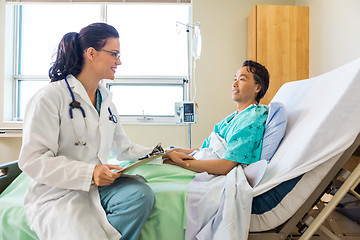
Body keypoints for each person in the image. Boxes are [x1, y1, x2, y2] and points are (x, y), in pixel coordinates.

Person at [18, 22, 191, 240]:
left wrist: (165, 153)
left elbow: (124, 148)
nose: (119, 61)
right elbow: (33, 160)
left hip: (98, 187)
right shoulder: (50, 97)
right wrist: (90, 173)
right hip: (58, 191)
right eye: (114, 54)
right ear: (91, 53)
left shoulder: (106, 100)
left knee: (140, 194)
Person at [164, 60, 270, 175]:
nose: (234, 84)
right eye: (235, 79)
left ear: (257, 88)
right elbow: (208, 149)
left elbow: (225, 166)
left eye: (242, 79)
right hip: (201, 159)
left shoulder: (253, 119)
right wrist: (182, 152)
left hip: (212, 171)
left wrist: (178, 163)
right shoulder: (232, 118)